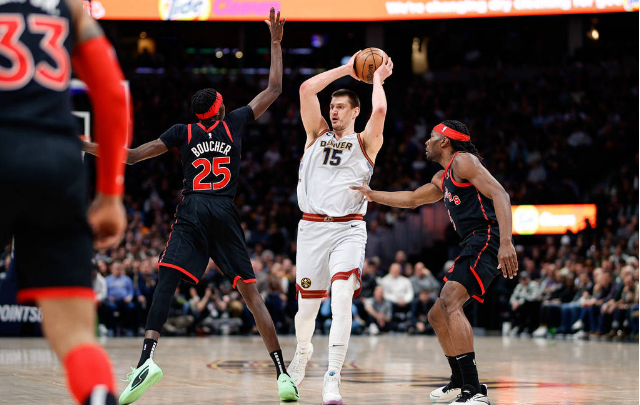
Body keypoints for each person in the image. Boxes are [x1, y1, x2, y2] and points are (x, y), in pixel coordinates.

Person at [83, 8, 298, 403]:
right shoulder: (234, 121)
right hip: (225, 210)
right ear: (218, 107)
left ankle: (146, 361)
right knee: (251, 294)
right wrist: (275, 42)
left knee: (167, 277)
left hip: (195, 208)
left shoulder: (182, 132)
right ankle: (284, 375)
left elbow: (129, 156)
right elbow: (274, 88)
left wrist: (84, 144)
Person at [0, 0, 129, 403]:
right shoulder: (69, 5)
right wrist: (110, 194)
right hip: (54, 163)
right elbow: (111, 93)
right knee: (76, 337)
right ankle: (96, 396)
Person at [352, 120, 518, 405]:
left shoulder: (463, 161)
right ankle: (460, 379)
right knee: (436, 315)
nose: (426, 141)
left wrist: (506, 243)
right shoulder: (443, 177)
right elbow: (412, 199)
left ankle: (474, 389)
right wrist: (371, 194)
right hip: (471, 244)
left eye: (432, 136)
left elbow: (501, 194)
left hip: (486, 239)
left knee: (450, 302)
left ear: (445, 142)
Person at [287, 49, 393, 404]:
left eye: (341, 106)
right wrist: (347, 69)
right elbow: (305, 90)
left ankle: (333, 375)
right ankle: (303, 351)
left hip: (349, 228)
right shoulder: (315, 133)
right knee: (306, 312)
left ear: (354, 111)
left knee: (343, 296)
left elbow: (379, 110)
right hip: (311, 230)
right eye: (331, 106)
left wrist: (376, 79)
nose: (333, 111)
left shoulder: (365, 142)